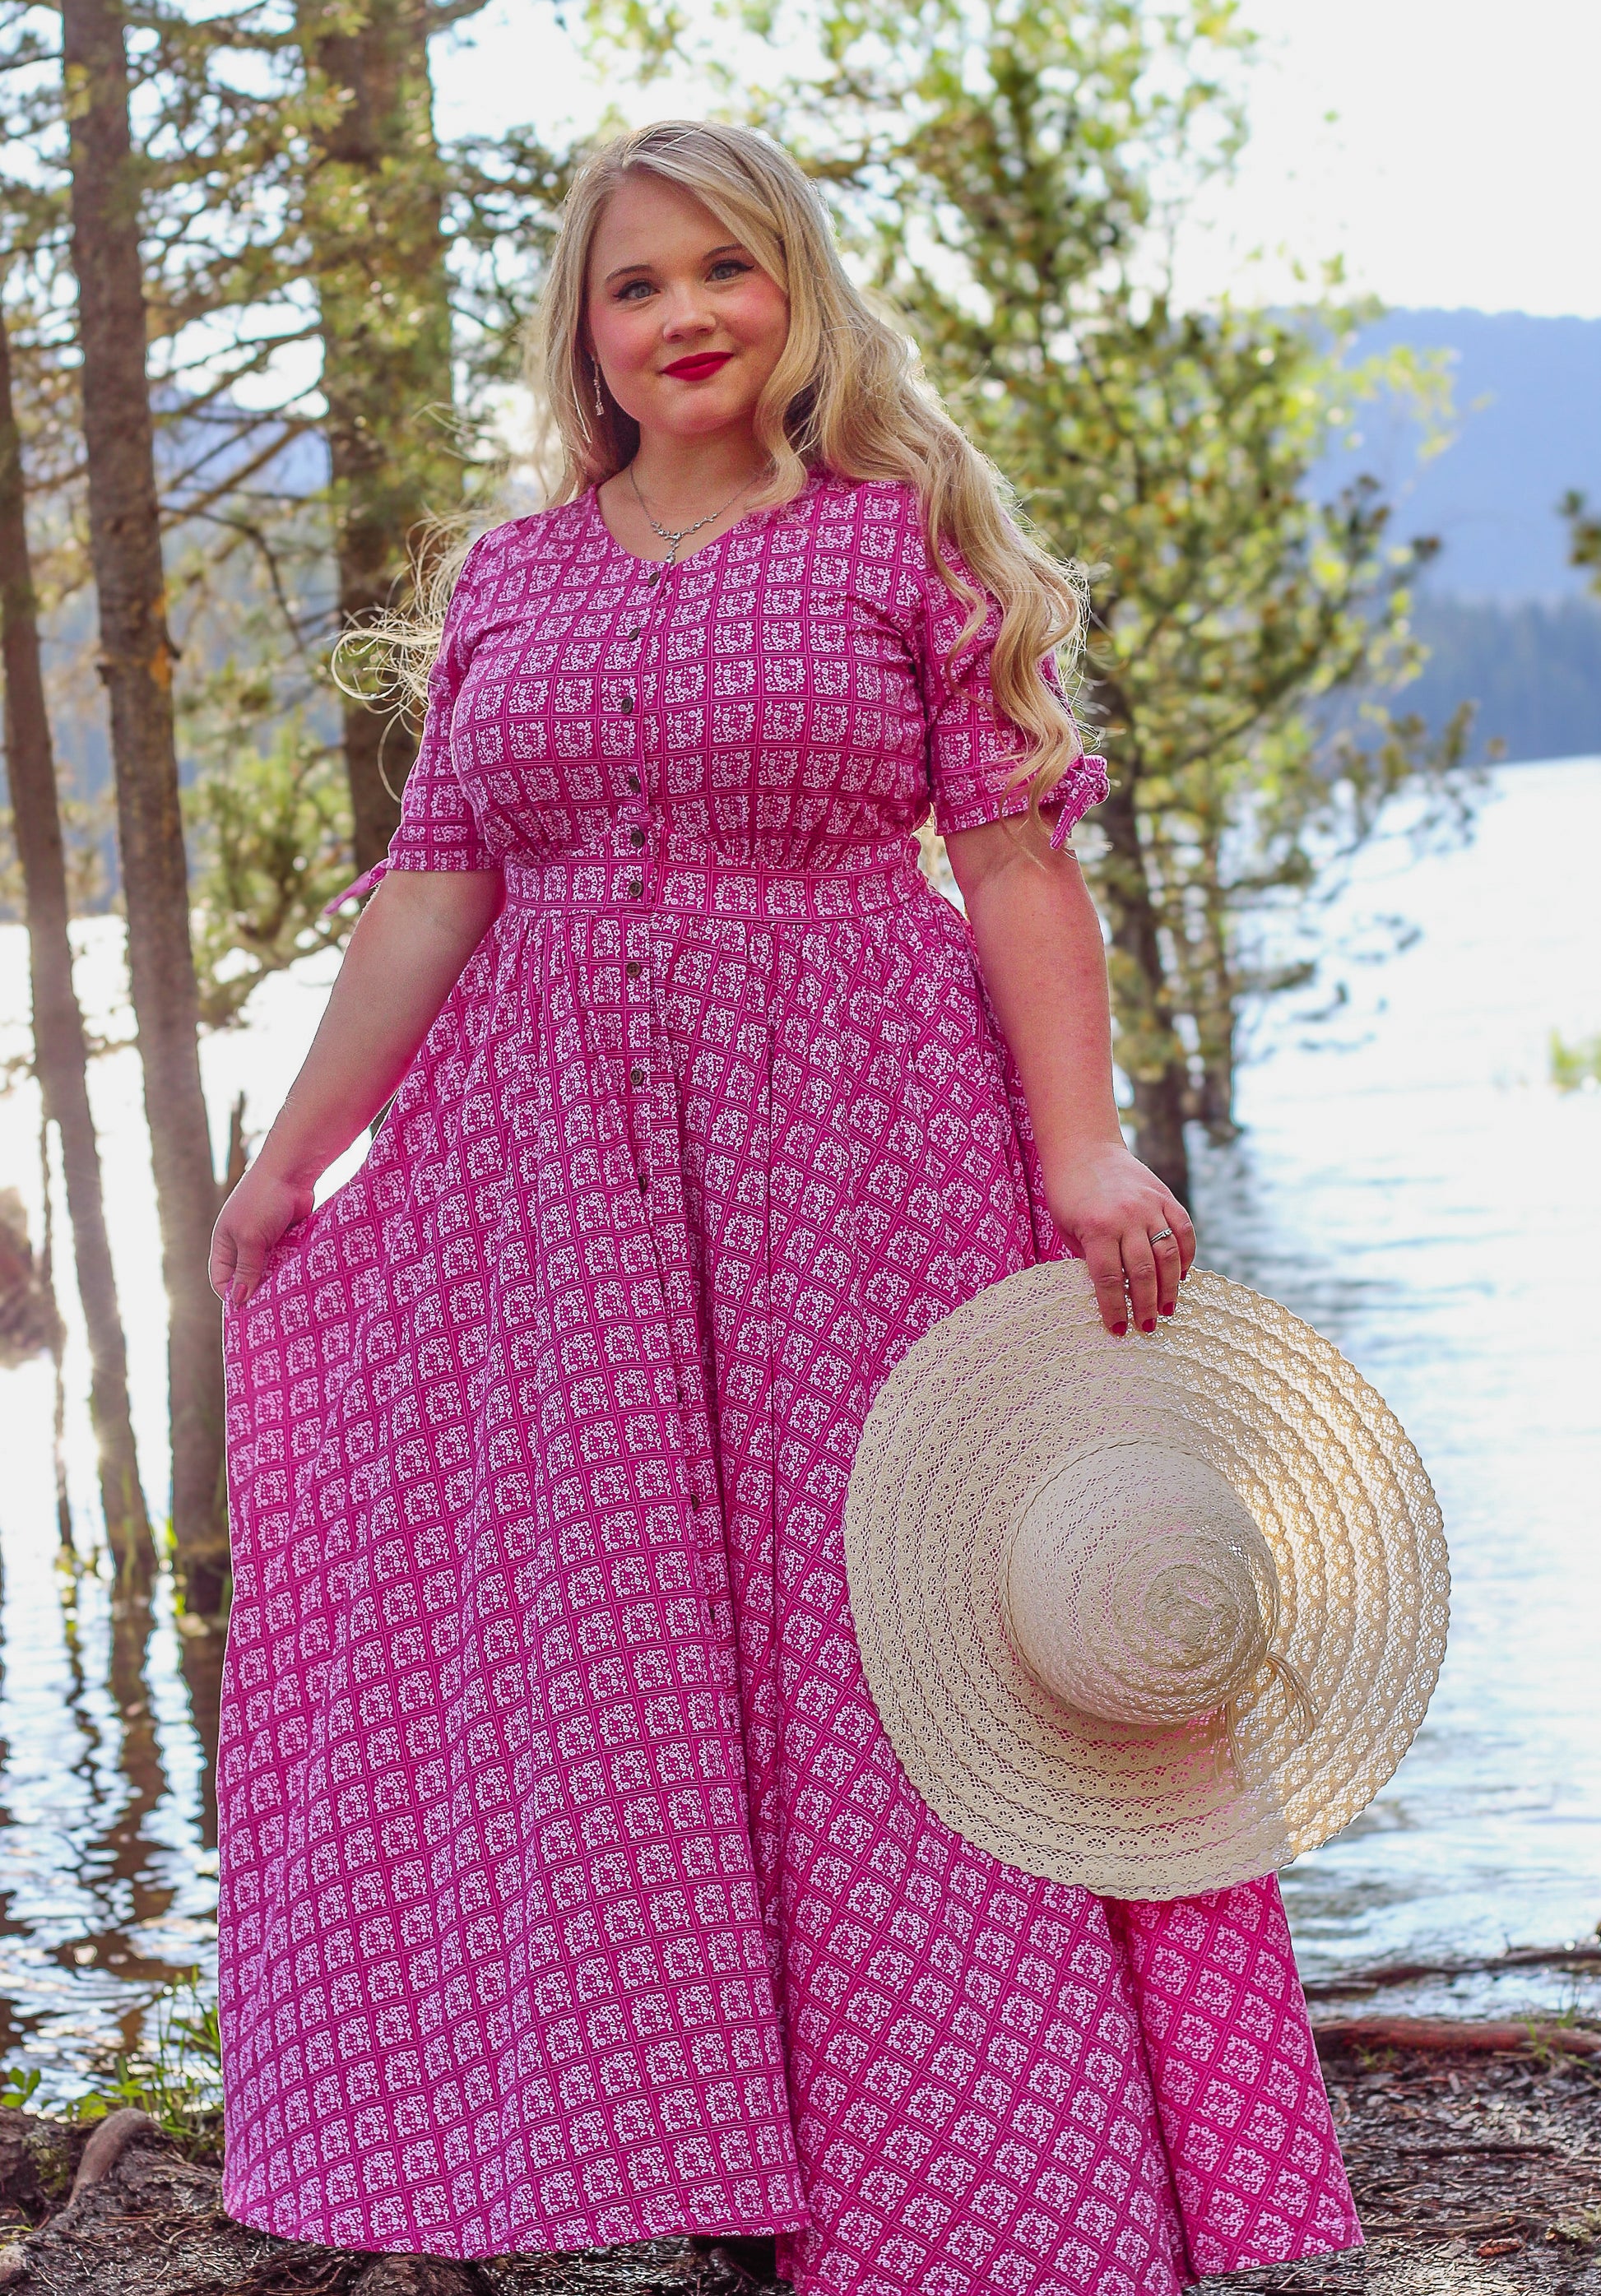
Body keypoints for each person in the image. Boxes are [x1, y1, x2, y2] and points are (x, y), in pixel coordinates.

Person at [209, 121, 1360, 2294]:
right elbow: (433, 882)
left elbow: (1014, 858)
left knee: (889, 1648)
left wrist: (1081, 1143)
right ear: (585, 333)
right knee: (608, 1647)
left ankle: (968, 2182)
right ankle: (641, 2162)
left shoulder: (890, 541)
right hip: (556, 1196)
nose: (686, 319)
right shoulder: (518, 581)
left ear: (797, 291)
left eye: (725, 271)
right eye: (637, 286)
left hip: (863, 1155)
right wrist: (294, 1155)